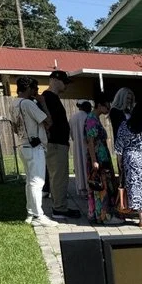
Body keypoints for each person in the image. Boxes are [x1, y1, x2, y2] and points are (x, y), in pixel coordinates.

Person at [10, 76, 58, 227]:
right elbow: (48, 121)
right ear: (29, 88)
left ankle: (31, 212)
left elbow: (14, 128)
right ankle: (39, 215)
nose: (36, 92)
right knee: (38, 182)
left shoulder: (13, 104)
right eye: (35, 89)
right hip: (34, 146)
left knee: (30, 182)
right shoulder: (29, 104)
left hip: (23, 145)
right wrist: (42, 102)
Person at [41, 70, 80, 218]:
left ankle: (60, 205)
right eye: (65, 82)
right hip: (55, 143)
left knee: (60, 175)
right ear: (55, 80)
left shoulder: (52, 98)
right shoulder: (47, 98)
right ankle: (59, 208)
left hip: (59, 143)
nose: (66, 86)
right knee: (58, 176)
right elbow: (46, 121)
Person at [83, 94, 122, 225]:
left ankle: (98, 214)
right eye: (107, 105)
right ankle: (104, 216)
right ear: (99, 105)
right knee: (102, 187)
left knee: (101, 186)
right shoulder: (91, 119)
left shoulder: (95, 119)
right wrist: (94, 160)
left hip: (102, 157)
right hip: (98, 158)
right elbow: (90, 141)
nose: (109, 108)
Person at [110, 87, 136, 215]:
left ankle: (133, 203)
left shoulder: (130, 112)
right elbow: (121, 129)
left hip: (133, 147)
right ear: (121, 98)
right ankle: (123, 204)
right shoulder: (115, 111)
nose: (129, 101)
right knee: (123, 176)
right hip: (123, 147)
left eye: (131, 99)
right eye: (127, 98)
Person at [69, 100, 92, 199]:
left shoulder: (73, 118)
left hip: (77, 146)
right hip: (86, 145)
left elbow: (72, 135)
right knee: (87, 165)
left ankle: (81, 188)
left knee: (79, 166)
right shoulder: (88, 117)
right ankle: (89, 188)